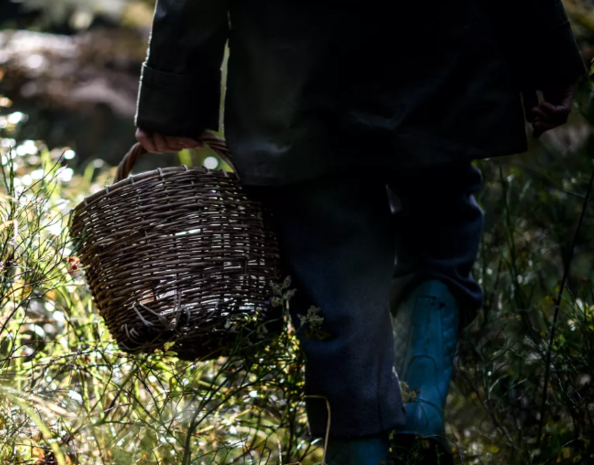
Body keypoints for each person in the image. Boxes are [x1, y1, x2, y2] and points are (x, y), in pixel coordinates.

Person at [132, 1, 587, 464]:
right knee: (441, 229)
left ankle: (362, 448)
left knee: (336, 290)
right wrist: (547, 55)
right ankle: (422, 408)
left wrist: (173, 97)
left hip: (296, 78)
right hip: (441, 56)